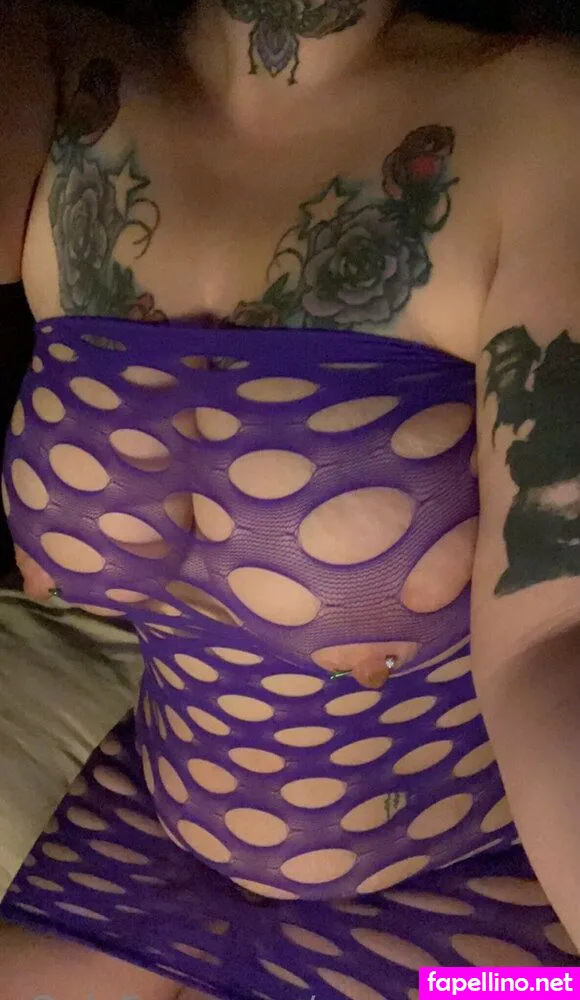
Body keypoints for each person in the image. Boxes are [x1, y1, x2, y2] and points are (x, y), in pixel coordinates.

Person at [1, 0, 580, 996]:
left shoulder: (539, 115)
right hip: (145, 845)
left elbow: (552, 637)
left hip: (474, 898)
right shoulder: (55, 67)